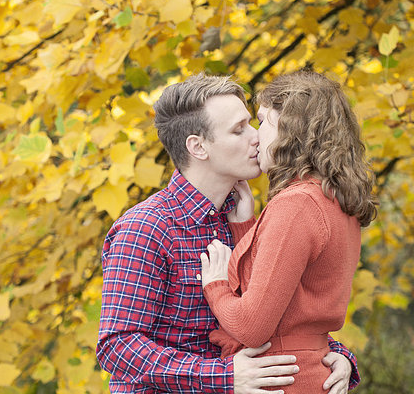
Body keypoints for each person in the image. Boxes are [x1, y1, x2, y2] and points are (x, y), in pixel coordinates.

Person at [96, 73, 360, 393]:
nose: (256, 137)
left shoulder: (241, 220)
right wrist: (224, 376)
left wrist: (337, 356)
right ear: (198, 147)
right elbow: (117, 347)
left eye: (254, 123)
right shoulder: (147, 228)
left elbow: (282, 315)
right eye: (239, 130)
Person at [200, 71, 377, 393]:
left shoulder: (296, 205)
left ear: (292, 130)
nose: (256, 136)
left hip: (279, 378)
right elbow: (292, 295)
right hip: (307, 371)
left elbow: (251, 327)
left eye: (264, 121)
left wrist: (215, 285)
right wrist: (244, 227)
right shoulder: (332, 198)